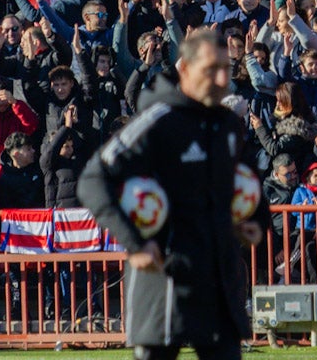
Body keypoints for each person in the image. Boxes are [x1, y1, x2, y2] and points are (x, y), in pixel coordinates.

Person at [78, 30, 266, 359]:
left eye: (227, 67)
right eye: (212, 69)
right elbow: (93, 179)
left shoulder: (229, 126)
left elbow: (248, 183)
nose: (223, 78)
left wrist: (255, 221)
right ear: (186, 69)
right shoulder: (158, 120)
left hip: (220, 281)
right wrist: (134, 242)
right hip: (165, 279)